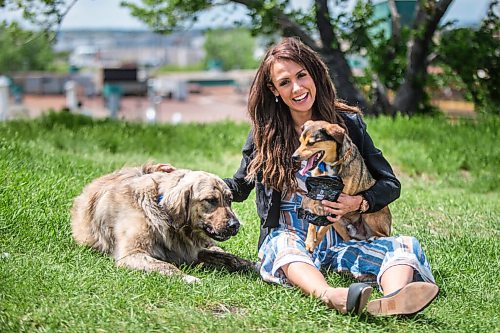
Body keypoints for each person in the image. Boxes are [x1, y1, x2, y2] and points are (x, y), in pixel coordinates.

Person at [223, 37, 439, 316]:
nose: (297, 88)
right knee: (282, 245)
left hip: (343, 238)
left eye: (302, 75)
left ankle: (396, 299)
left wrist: (358, 202)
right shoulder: (266, 134)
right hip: (292, 236)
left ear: (314, 74)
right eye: (285, 82)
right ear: (273, 89)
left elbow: (390, 185)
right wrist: (190, 179)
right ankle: (332, 296)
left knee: (404, 245)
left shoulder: (345, 125)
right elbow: (238, 186)